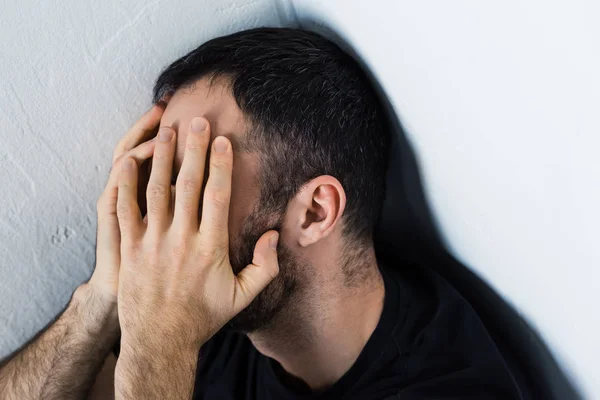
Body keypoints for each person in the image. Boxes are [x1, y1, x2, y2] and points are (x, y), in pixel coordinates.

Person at [0, 28, 522, 399]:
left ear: (315, 213)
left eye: (193, 176)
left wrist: (164, 344)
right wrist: (104, 295)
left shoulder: (446, 385)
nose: (154, 210)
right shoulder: (207, 313)